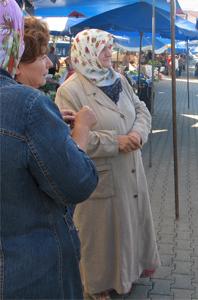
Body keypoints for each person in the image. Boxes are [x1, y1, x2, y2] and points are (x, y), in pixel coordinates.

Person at [0, 1, 98, 298]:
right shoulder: (27, 106)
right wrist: (80, 133)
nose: (51, 63)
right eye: (42, 56)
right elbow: (77, 183)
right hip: (29, 274)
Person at [55, 29, 160, 299]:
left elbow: (141, 109)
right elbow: (71, 136)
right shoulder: (70, 90)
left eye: (109, 48)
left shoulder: (119, 79)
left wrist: (138, 133)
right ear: (86, 51)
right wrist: (116, 142)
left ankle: (130, 272)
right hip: (100, 175)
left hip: (130, 170)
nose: (108, 54)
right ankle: (97, 285)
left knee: (130, 225)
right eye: (102, 49)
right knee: (101, 235)